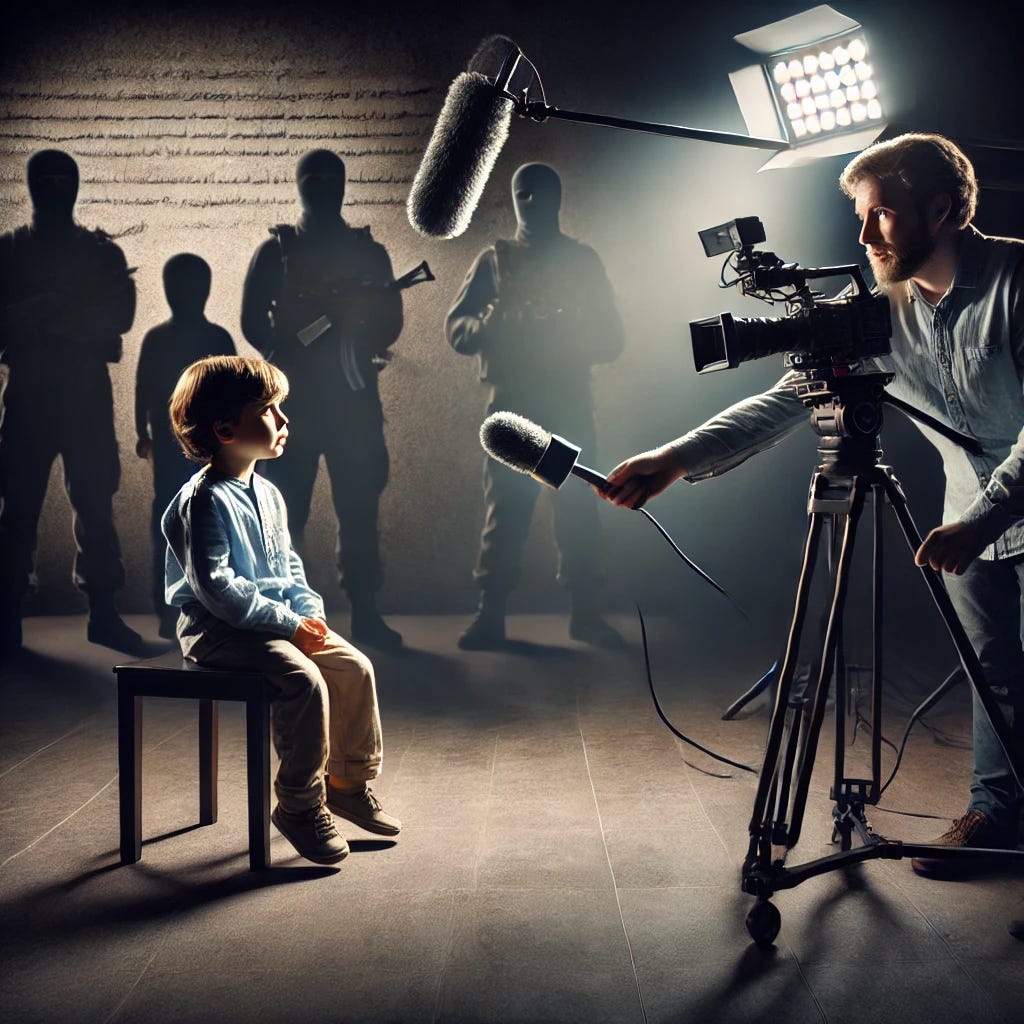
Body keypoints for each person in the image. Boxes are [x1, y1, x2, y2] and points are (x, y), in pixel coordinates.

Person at [601, 133, 1023, 927]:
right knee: (994, 673)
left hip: (992, 508)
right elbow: (789, 397)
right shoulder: (881, 309)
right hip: (969, 512)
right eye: (861, 218)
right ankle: (997, 814)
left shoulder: (1020, 278)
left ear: (941, 209)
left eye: (882, 216)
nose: (864, 238)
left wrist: (982, 517)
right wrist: (675, 458)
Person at [162, 355, 400, 864]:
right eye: (269, 409)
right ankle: (297, 803)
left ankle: (347, 783)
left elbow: (288, 567)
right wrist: (290, 626)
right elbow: (218, 590)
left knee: (355, 667)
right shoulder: (201, 501)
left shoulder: (268, 493)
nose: (285, 420)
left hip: (272, 622)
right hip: (217, 631)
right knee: (304, 681)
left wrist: (307, 616)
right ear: (226, 429)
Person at [445, 162, 626, 650]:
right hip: (513, 403)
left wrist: (569, 334)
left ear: (557, 199)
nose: (531, 204)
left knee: (578, 511)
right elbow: (457, 329)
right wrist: (494, 326)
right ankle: (491, 613)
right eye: (522, 195)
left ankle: (585, 613)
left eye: (540, 195)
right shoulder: (495, 261)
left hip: (566, 399)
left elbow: (612, 338)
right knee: (506, 508)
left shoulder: (581, 262)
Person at [240, 149, 404, 651]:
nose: (322, 187)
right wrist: (290, 341)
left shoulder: (367, 252)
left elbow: (391, 321)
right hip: (296, 400)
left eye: (330, 179)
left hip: (351, 397)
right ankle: (287, 613)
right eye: (313, 178)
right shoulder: (279, 250)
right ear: (300, 185)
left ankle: (364, 610)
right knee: (285, 511)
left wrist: (355, 327)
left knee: (359, 508)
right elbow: (251, 320)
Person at [0, 149, 142, 658]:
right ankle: (7, 617)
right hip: (32, 392)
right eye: (48, 180)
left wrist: (59, 323)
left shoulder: (99, 253)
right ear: (34, 185)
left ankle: (103, 614)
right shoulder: (11, 251)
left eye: (66, 180)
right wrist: (39, 318)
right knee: (16, 511)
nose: (57, 188)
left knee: (97, 508)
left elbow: (120, 317)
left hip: (82, 392)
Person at [135, 253, 235, 640]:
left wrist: (143, 432)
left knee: (198, 520)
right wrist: (144, 433)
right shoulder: (211, 338)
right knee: (176, 520)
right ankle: (171, 607)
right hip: (187, 441)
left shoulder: (178, 338)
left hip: (200, 442)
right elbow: (144, 390)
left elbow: (143, 391)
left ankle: (196, 604)